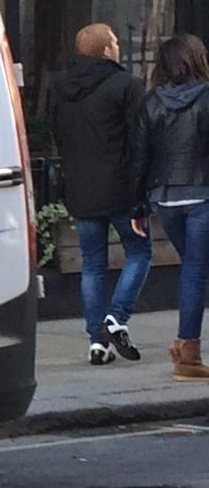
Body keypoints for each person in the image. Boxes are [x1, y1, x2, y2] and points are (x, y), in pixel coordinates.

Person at [47, 22, 151, 365]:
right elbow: (140, 140)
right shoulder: (127, 85)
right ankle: (116, 318)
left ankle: (97, 343)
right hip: (121, 188)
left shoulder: (60, 88)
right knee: (140, 252)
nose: (119, 46)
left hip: (81, 188)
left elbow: (57, 134)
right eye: (115, 42)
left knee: (92, 264)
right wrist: (141, 192)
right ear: (106, 50)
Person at [134, 34, 209, 380]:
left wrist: (138, 208)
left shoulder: (151, 102)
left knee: (193, 268)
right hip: (202, 194)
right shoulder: (206, 97)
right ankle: (187, 352)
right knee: (195, 270)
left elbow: (139, 158)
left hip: (164, 198)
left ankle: (186, 349)